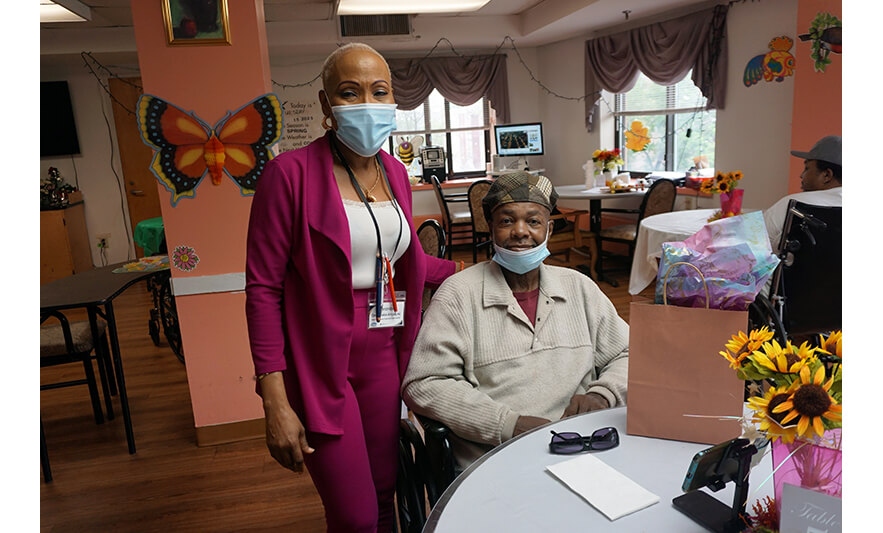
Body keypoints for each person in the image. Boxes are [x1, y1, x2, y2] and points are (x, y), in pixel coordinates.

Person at [245, 42, 459, 532]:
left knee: (386, 496)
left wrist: (472, 272)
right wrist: (274, 402)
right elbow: (262, 291)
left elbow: (401, 260)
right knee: (355, 516)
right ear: (326, 105)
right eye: (350, 91)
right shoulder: (289, 176)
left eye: (379, 90)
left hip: (385, 351)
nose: (367, 101)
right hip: (319, 362)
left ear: (393, 100)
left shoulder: (396, 173)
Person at [401, 171, 630, 471]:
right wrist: (508, 424)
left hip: (588, 448)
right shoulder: (458, 295)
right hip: (498, 460)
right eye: (507, 221)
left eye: (533, 221)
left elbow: (628, 353)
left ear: (549, 228)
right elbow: (424, 382)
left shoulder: (579, 287)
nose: (520, 231)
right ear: (490, 227)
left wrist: (603, 394)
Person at [763, 135, 842, 251]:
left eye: (807, 168)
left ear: (827, 175)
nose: (801, 175)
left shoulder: (793, 204)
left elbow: (743, 249)